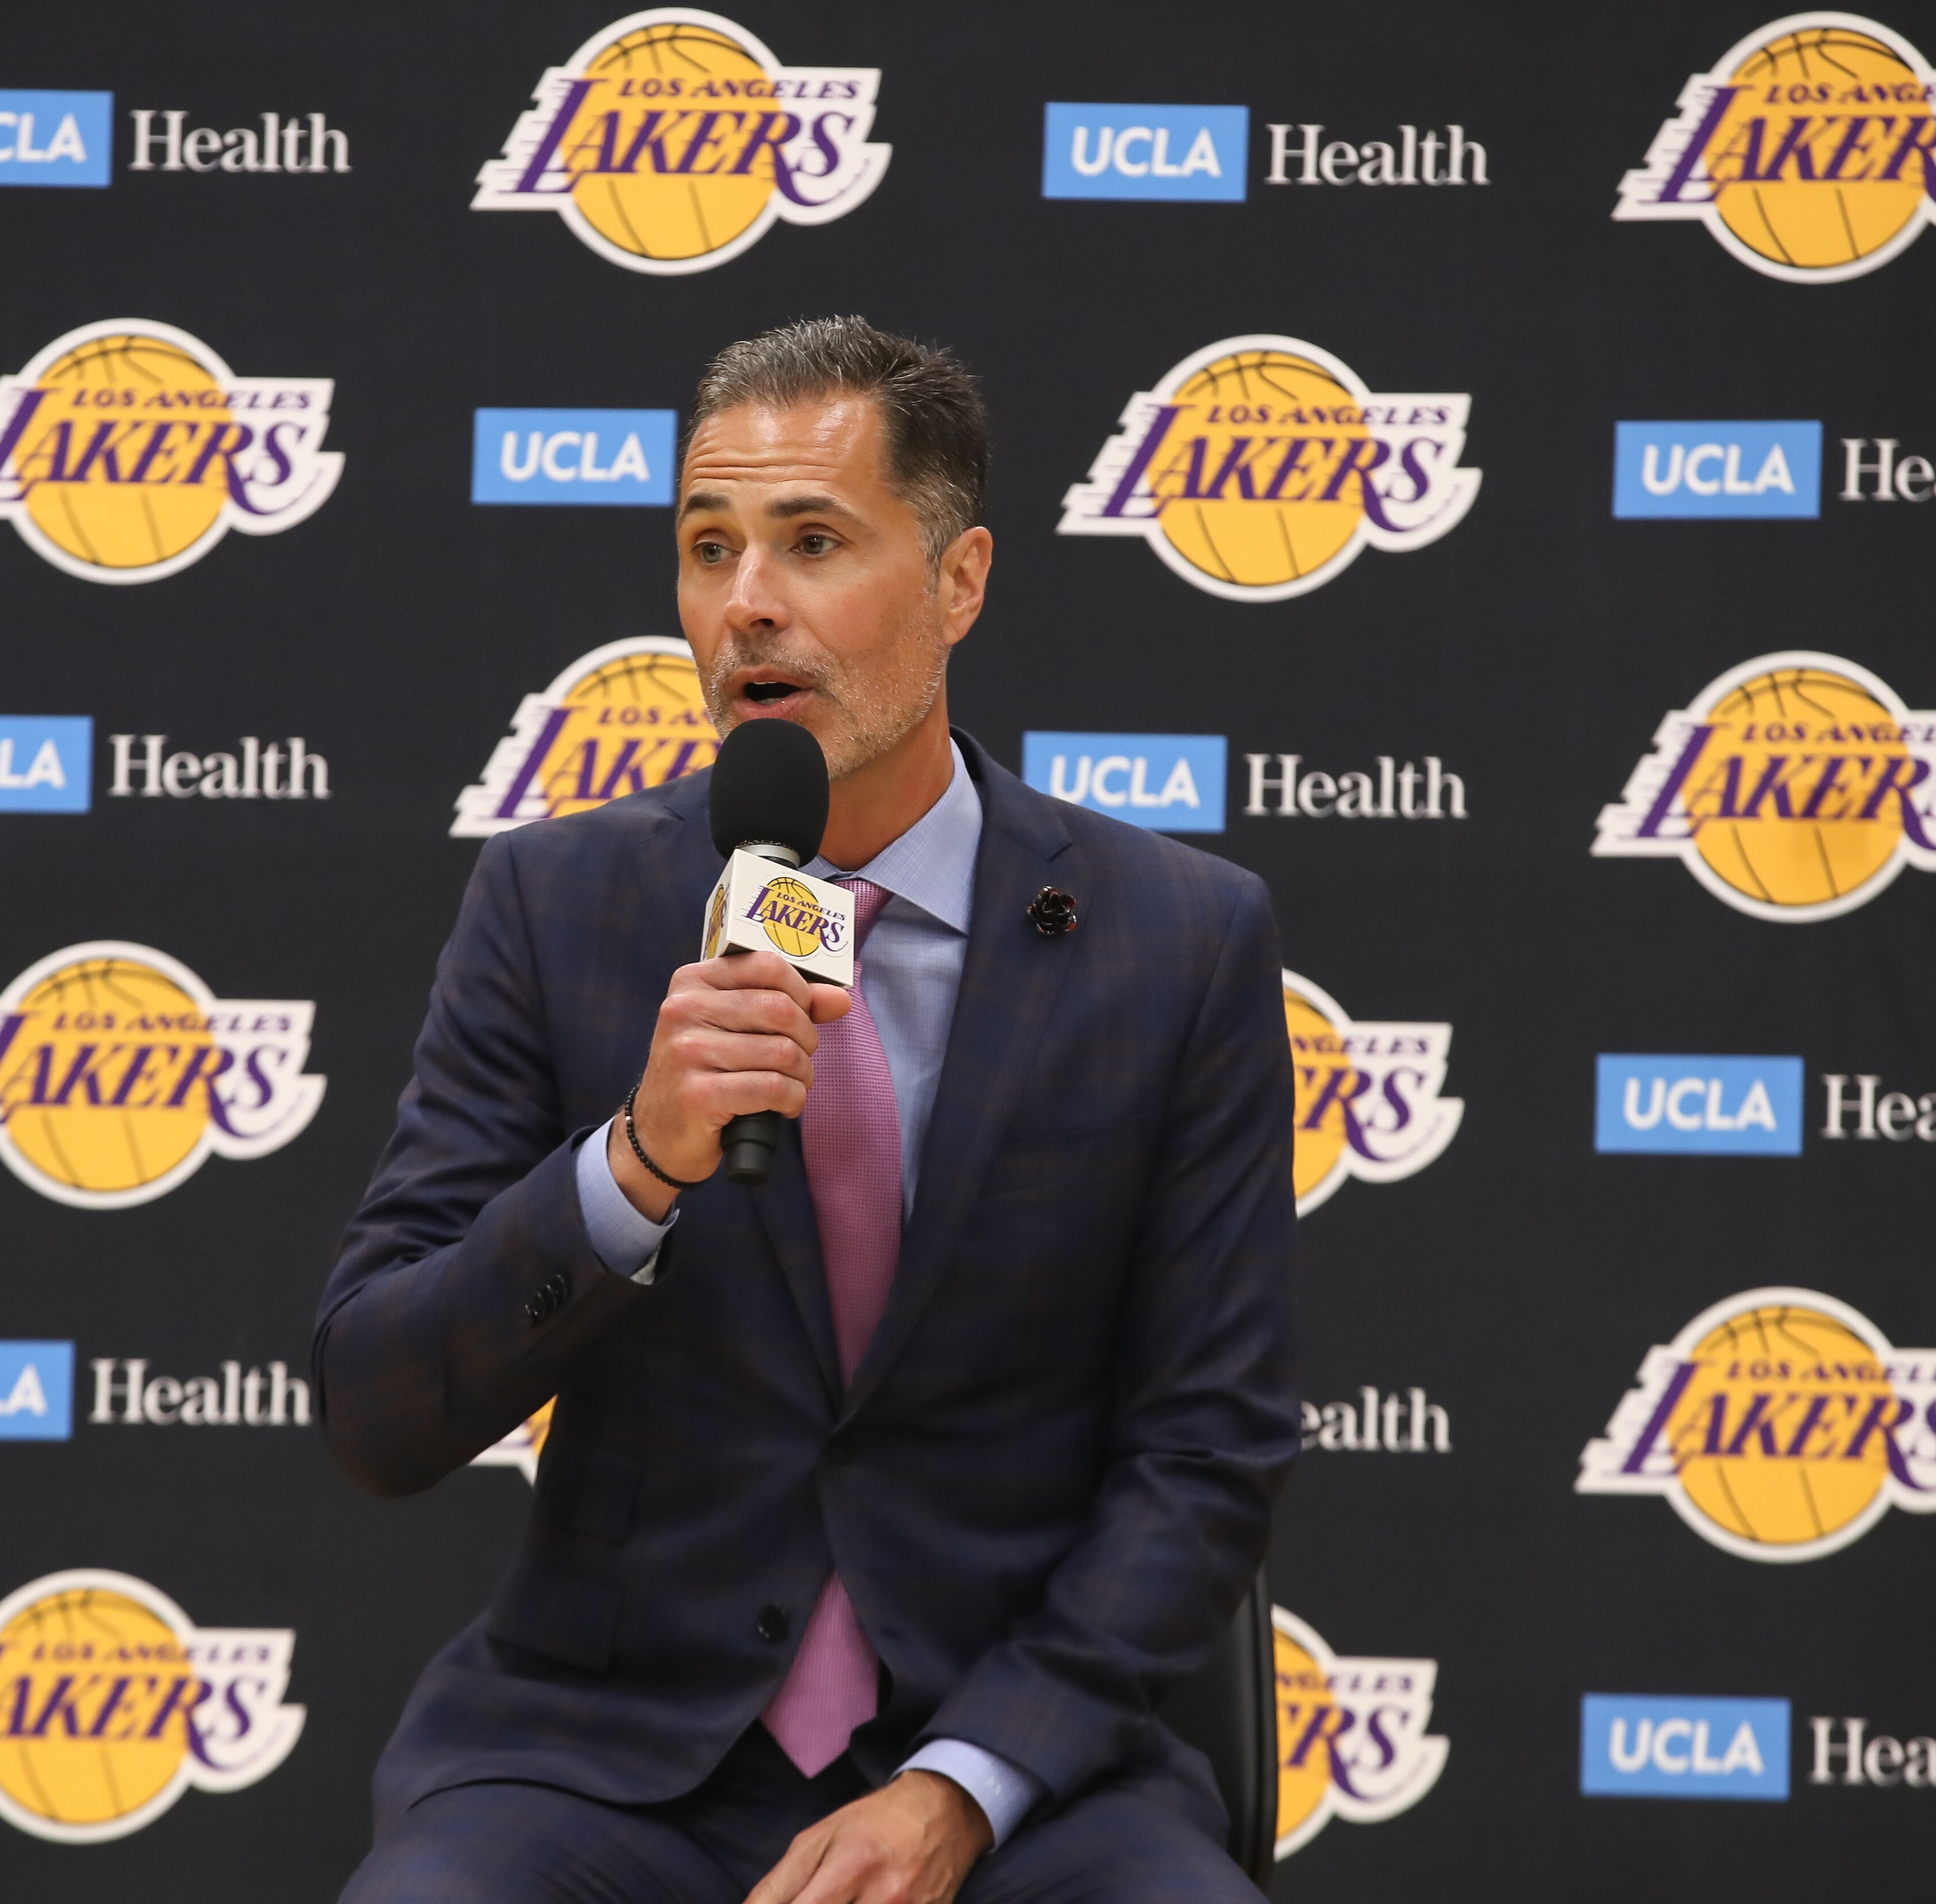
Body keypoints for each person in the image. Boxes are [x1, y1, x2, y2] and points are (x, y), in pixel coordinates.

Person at [317, 316, 1296, 1903]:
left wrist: (962, 1789)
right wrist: (633, 1169)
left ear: (961, 580)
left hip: (1015, 1776)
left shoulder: (1176, 939)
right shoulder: (559, 904)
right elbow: (376, 1408)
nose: (747, 604)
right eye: (709, 548)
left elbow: (1209, 1446)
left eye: (813, 541)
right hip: (608, 1766)